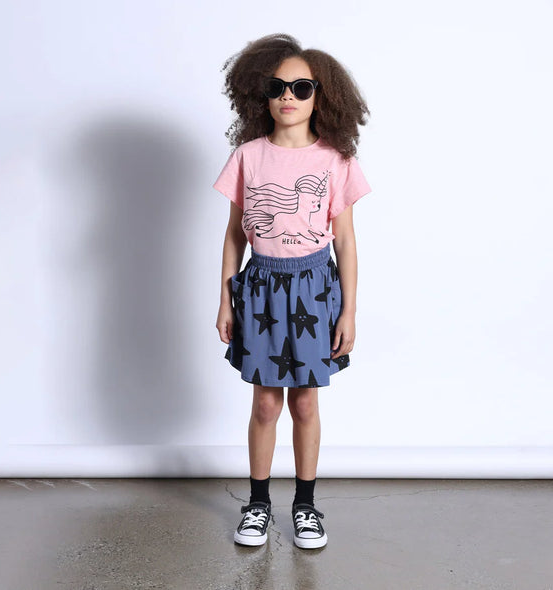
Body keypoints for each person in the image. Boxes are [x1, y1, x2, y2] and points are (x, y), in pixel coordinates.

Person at [214, 33, 370, 549]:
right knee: (265, 404)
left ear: (321, 97)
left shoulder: (335, 160)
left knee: (304, 402)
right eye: (277, 87)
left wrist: (349, 310)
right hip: (261, 289)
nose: (288, 96)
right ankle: (258, 503)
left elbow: (345, 241)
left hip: (314, 290)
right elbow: (235, 235)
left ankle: (305, 505)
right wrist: (225, 299)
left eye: (301, 87)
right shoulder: (248, 157)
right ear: (259, 94)